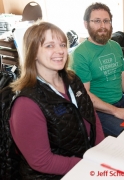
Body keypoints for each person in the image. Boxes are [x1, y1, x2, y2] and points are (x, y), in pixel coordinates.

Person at [9, 21, 105, 179]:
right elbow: (42, 161)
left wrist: (101, 150)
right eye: (49, 46)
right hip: (55, 174)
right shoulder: (26, 104)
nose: (60, 51)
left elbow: (92, 115)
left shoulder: (72, 79)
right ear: (33, 53)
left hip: (87, 160)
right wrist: (87, 164)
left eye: (62, 44)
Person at [71, 2, 124, 137]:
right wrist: (115, 111)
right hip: (99, 110)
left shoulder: (115, 46)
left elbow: (123, 75)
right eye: (97, 21)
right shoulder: (80, 54)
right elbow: (84, 94)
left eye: (106, 21)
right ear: (86, 24)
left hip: (122, 100)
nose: (102, 26)